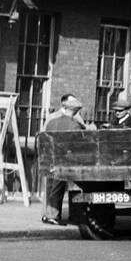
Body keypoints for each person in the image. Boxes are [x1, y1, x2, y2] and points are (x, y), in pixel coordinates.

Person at [41, 94, 91, 225]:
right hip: (66, 160)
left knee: (51, 187)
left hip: (50, 158)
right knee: (67, 188)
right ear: (75, 111)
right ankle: (66, 215)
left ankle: (48, 214)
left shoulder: (52, 122)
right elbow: (80, 145)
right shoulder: (75, 125)